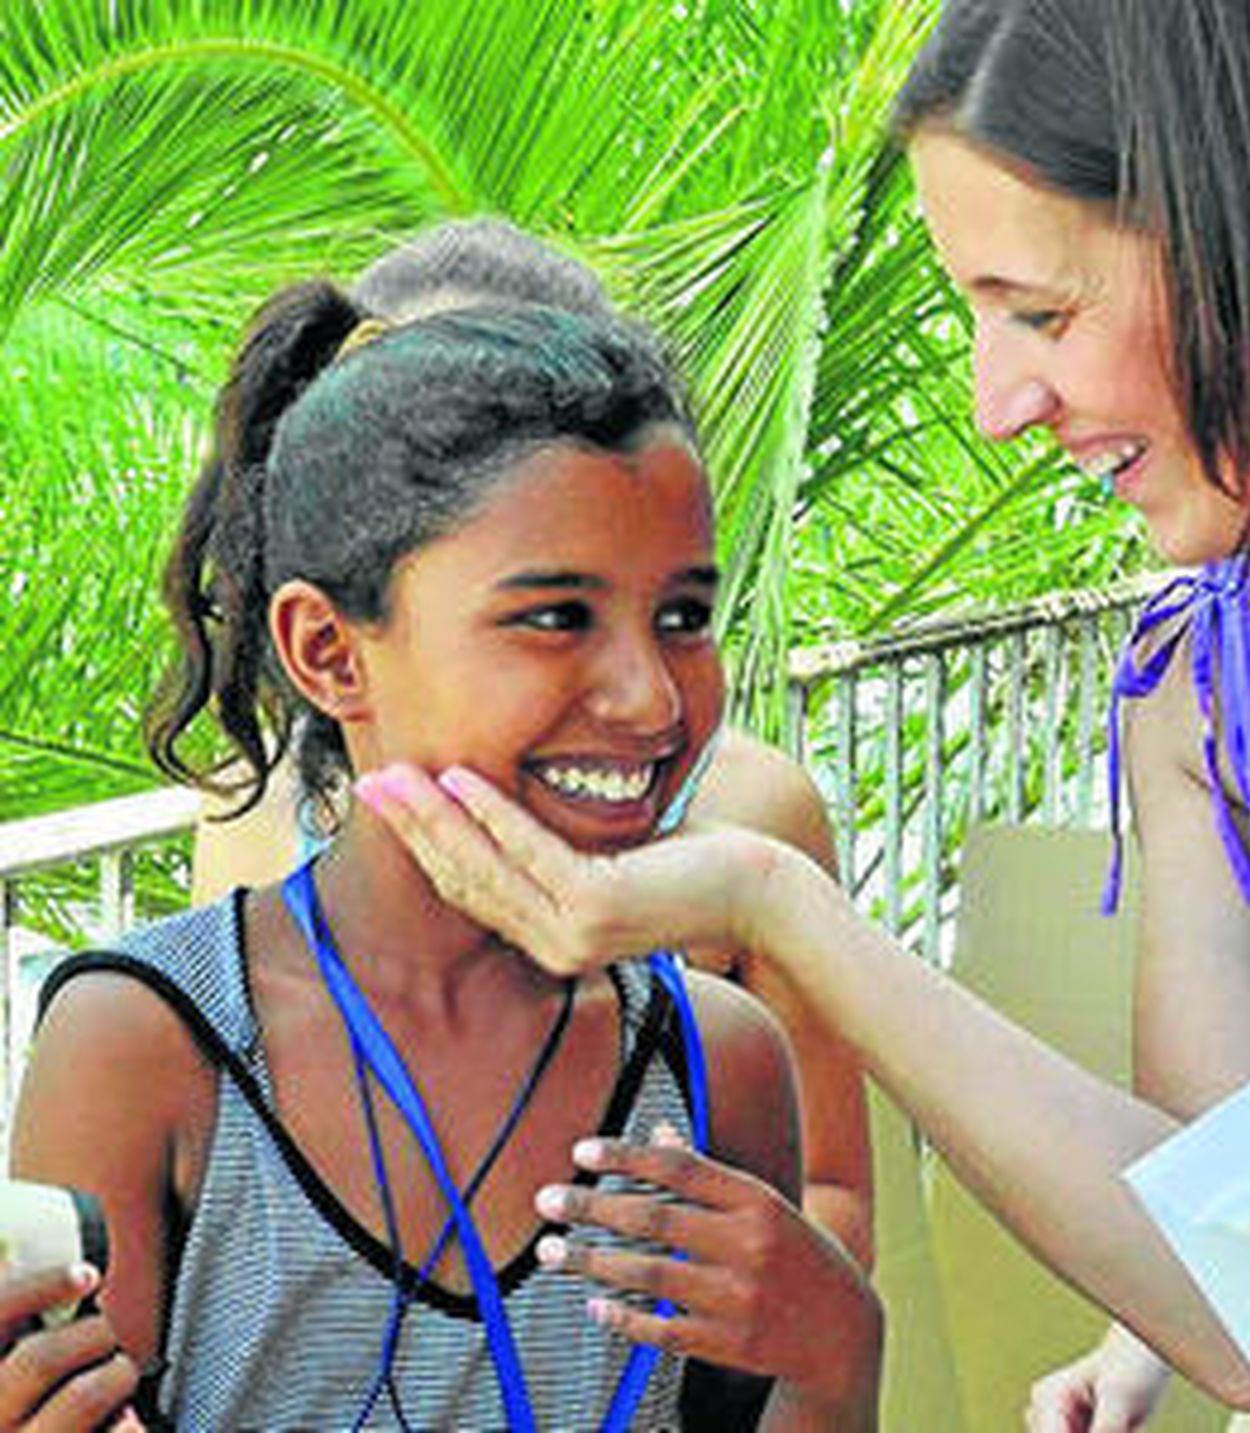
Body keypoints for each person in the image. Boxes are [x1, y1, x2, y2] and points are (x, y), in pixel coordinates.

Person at [352, 0, 1250, 1425]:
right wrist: (778, 906)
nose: (999, 400)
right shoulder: (1209, 698)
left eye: (1044, 313)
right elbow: (1243, 1290)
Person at [1, 289, 881, 1428]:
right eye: (557, 617)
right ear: (330, 652)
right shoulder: (156, 1045)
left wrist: (840, 1349)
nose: (651, 695)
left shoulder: (713, 1064)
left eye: (684, 614)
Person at [188, 217, 874, 1274]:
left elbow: (830, 1189)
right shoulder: (256, 820)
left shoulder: (753, 818)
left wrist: (738, 1293)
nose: (642, 697)